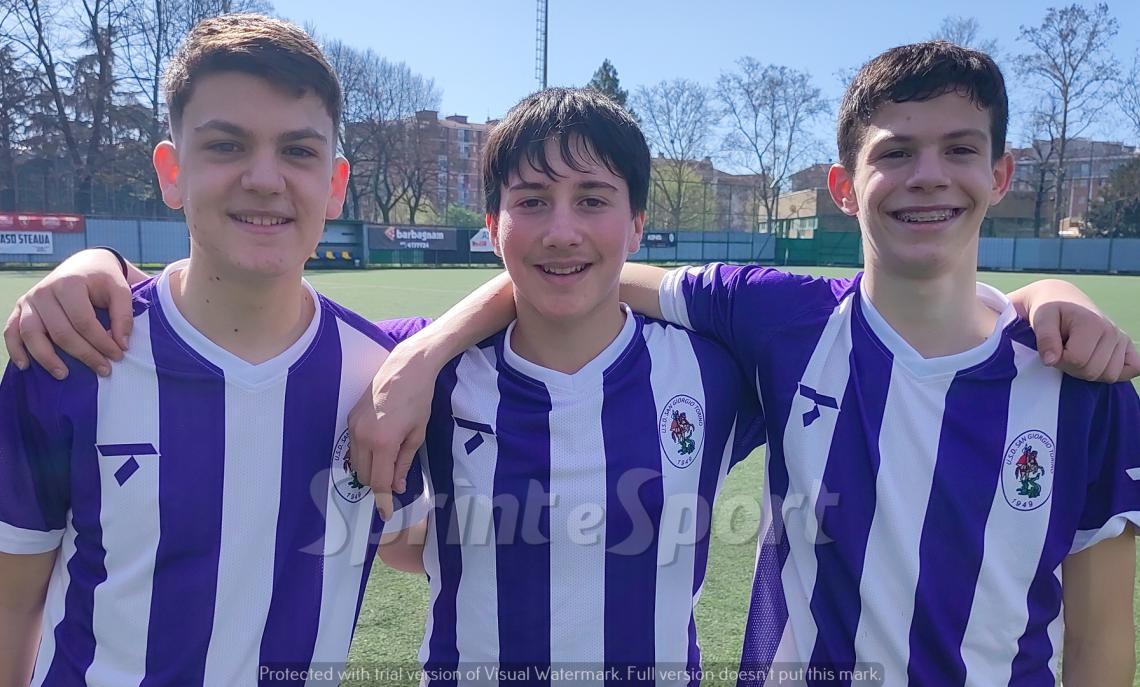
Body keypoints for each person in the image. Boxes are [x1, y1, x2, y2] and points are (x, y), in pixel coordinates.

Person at [5, 46, 1138, 687]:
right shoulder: (397, 373)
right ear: (488, 222)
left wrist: (1052, 291)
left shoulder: (725, 363)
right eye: (529, 202)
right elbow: (378, 513)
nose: (561, 231)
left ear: (637, 220)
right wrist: (89, 264)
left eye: (593, 201)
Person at [345, 43, 1140, 686]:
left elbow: (1104, 647)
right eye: (896, 152)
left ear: (1000, 174)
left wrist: (1048, 289)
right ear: (844, 186)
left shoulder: (1080, 379)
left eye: (959, 150)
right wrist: (424, 349)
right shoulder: (784, 325)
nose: (927, 175)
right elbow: (573, 275)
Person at [0, 15, 427, 687]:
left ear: (335, 182)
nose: (264, 178)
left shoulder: (385, 374)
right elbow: (12, 601)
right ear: (172, 172)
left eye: (298, 151)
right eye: (226, 146)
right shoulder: (70, 353)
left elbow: (546, 295)